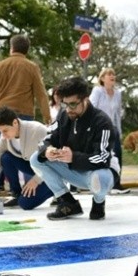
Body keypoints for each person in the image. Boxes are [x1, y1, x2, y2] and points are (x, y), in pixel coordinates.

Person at [29, 76, 116, 221]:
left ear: (85, 99)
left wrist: (73, 157)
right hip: (73, 170)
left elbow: (103, 158)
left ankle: (99, 202)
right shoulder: (64, 115)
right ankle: (68, 203)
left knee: (99, 180)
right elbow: (46, 138)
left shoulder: (102, 122)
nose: (68, 109)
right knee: (37, 159)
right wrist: (48, 150)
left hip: (100, 172)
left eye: (73, 104)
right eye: (65, 104)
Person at [0, 106, 53, 209]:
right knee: (5, 158)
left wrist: (36, 180)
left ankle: (56, 190)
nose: (3, 135)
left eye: (5, 131)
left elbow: (54, 160)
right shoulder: (4, 139)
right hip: (33, 167)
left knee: (25, 204)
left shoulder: (38, 130)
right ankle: (16, 194)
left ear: (15, 123)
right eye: (1, 132)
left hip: (52, 171)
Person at [0, 34, 51, 132]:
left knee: (3, 145)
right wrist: (47, 119)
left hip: (1, 113)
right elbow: (41, 95)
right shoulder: (32, 67)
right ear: (26, 50)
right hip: (23, 114)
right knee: (22, 146)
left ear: (12, 48)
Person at [89, 67, 130, 194]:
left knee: (117, 154)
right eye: (109, 74)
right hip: (99, 128)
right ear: (102, 78)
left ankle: (116, 184)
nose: (112, 76)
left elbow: (117, 113)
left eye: (113, 74)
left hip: (113, 128)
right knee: (103, 155)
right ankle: (102, 184)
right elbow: (91, 108)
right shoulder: (97, 91)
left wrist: (119, 130)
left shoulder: (118, 93)